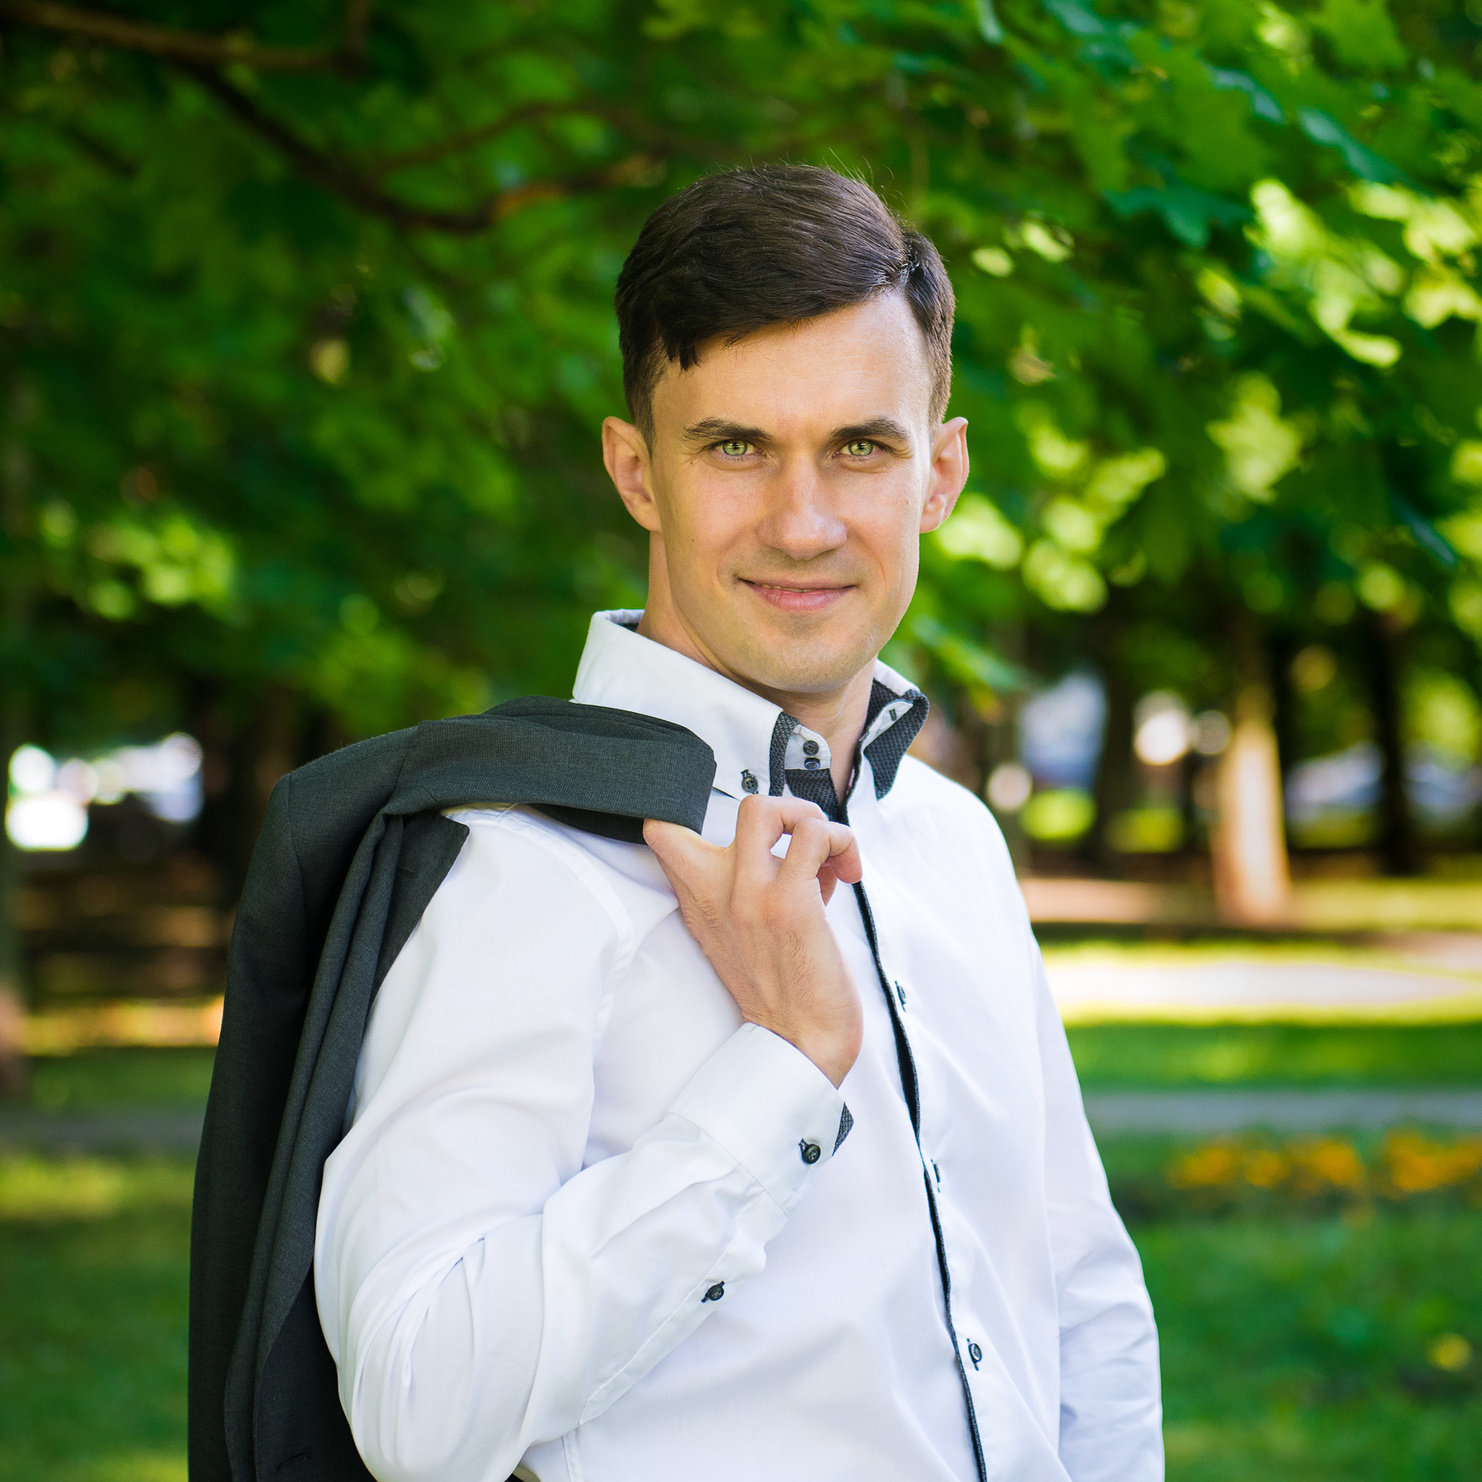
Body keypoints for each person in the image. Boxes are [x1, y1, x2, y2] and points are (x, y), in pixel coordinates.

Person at [315, 163, 1162, 1482]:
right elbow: (415, 1403)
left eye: (859, 448)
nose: (801, 523)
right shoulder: (524, 863)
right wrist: (783, 1067)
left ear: (939, 473)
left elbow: (1074, 1292)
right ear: (635, 470)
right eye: (735, 447)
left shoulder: (950, 838)